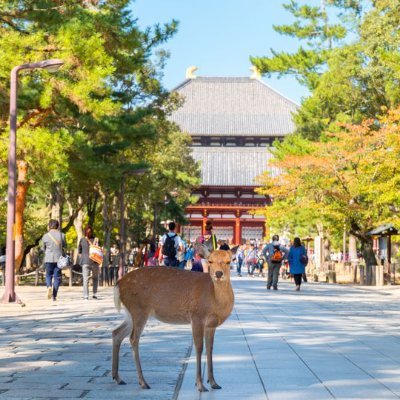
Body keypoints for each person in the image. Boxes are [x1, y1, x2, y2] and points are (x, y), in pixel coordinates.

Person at [41, 219, 66, 301]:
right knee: (57, 277)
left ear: (49, 226)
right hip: (59, 259)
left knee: (48, 275)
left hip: (48, 258)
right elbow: (65, 246)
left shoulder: (45, 236)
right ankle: (54, 296)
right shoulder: (62, 235)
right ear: (58, 226)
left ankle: (49, 287)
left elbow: (43, 248)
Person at [78, 225, 100, 300]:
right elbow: (99, 250)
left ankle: (86, 295)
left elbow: (79, 251)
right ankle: (95, 294)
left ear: (84, 232)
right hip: (95, 261)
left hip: (85, 261)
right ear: (92, 231)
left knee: (85, 279)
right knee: (95, 278)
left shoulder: (82, 240)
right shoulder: (96, 240)